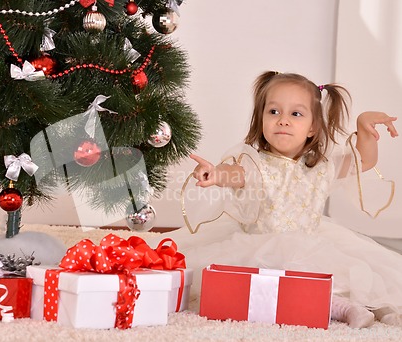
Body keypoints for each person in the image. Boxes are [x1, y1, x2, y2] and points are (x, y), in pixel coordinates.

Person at [158, 71, 401, 329]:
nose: (283, 120)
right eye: (273, 112)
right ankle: (339, 306)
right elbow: (235, 174)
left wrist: (364, 127)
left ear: (313, 128)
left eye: (295, 114)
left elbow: (364, 161)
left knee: (356, 271)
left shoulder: (322, 166)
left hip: (313, 240)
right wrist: (215, 174)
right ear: (261, 119)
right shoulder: (255, 164)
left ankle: (378, 306)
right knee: (277, 273)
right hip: (261, 244)